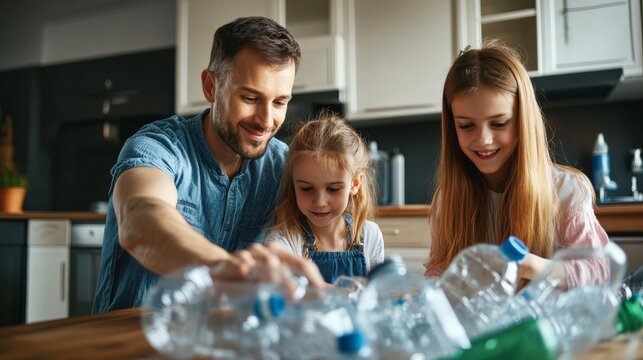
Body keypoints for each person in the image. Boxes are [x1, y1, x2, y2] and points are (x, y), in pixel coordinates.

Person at [93, 16, 325, 313]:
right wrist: (225, 268)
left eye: (279, 102)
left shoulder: (284, 164)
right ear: (211, 87)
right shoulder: (158, 147)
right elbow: (141, 218)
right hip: (129, 341)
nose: (267, 121)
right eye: (250, 98)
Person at [424, 41, 610, 287]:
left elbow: (600, 269)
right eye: (466, 126)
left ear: (523, 121)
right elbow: (439, 270)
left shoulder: (565, 191)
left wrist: (533, 266)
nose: (483, 140)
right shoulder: (447, 200)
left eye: (499, 123)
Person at [266, 112, 384, 284]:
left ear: (355, 184)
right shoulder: (285, 241)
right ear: (293, 183)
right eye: (306, 189)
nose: (320, 202)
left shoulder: (371, 236)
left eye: (333, 189)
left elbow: (376, 297)